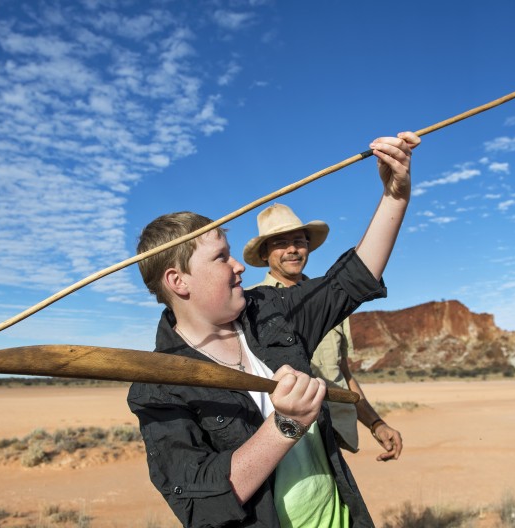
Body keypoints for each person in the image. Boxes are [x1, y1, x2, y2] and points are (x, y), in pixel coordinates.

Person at [127, 132, 419, 527]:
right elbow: (200, 506)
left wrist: (395, 195)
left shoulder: (269, 312)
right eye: (221, 258)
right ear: (179, 281)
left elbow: (348, 282)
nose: (238, 267)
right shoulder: (158, 386)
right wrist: (286, 425)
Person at [243, 203, 403, 462]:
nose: (292, 249)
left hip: (331, 434)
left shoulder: (332, 302)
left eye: (299, 241)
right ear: (264, 253)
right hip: (283, 441)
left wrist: (376, 423)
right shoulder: (250, 307)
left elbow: (343, 374)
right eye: (281, 243)